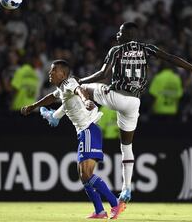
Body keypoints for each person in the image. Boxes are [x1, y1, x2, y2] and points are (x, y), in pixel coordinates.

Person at [41, 22, 192, 211]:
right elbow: (169, 57)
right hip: (134, 103)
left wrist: (80, 80)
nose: (117, 34)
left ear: (128, 34)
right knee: (126, 147)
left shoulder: (116, 50)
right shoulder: (147, 48)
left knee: (78, 88)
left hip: (116, 96)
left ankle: (56, 116)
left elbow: (104, 74)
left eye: (120, 32)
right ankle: (126, 190)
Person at [21, 60, 122, 220]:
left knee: (87, 174)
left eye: (53, 71)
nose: (50, 73)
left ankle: (115, 203)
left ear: (62, 73)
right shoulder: (61, 89)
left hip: (88, 129)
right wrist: (33, 106)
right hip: (83, 132)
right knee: (83, 177)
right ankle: (100, 211)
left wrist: (86, 100)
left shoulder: (70, 82)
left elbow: (79, 90)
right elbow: (50, 98)